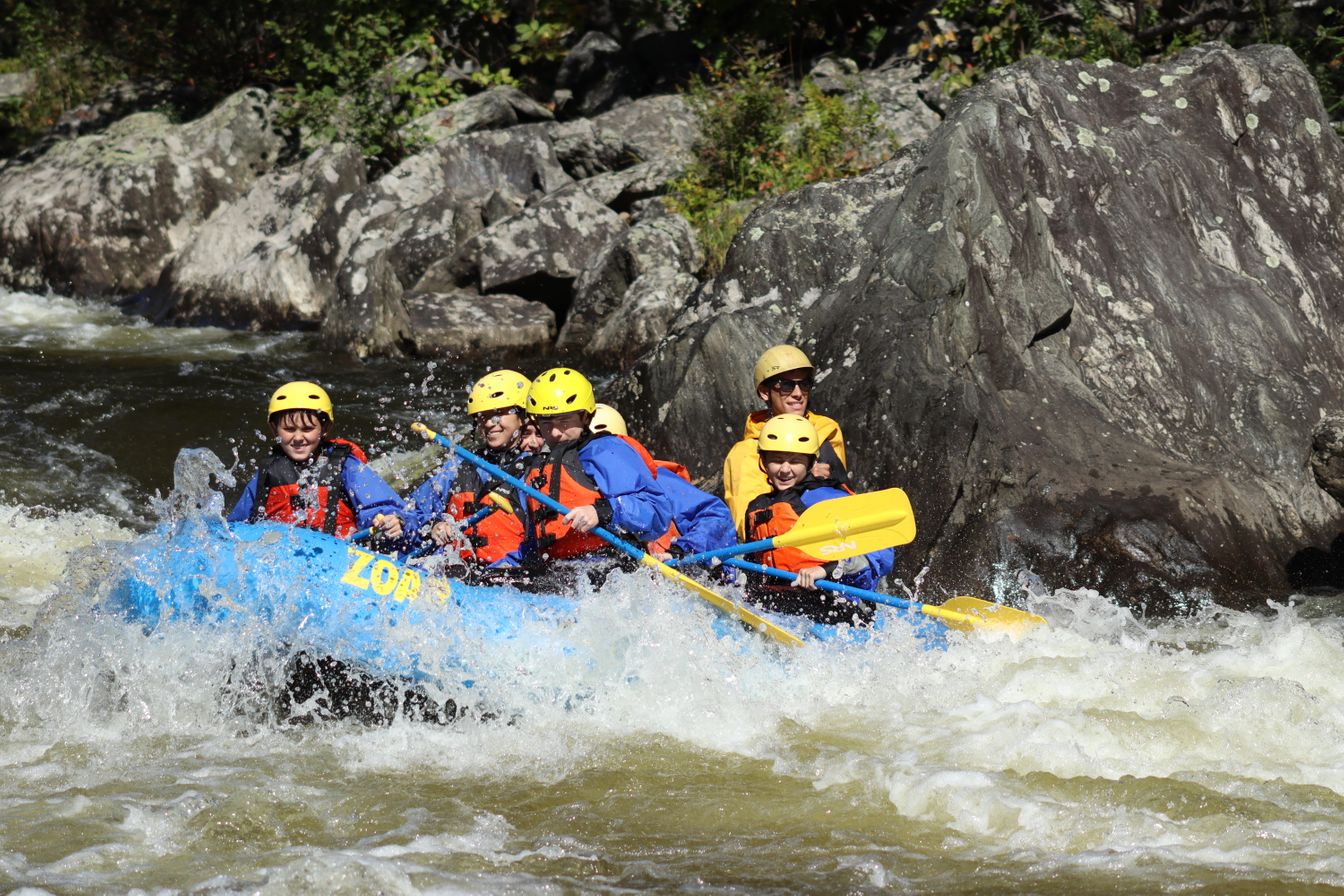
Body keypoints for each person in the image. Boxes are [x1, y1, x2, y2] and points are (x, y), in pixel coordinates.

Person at [514, 368, 671, 575]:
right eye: (546, 422)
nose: (554, 432)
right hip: (558, 574)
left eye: (564, 421)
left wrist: (603, 511)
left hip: (612, 568)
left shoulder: (605, 452)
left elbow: (657, 512)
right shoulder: (537, 468)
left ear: (585, 417)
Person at [742, 414, 891, 625]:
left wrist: (825, 570)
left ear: (811, 463)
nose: (785, 469)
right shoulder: (756, 507)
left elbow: (881, 555)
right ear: (763, 461)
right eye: (776, 459)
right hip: (779, 608)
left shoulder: (826, 498)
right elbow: (751, 567)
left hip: (836, 609)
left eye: (795, 461)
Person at [229, 381, 404, 540]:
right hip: (283, 558)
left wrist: (390, 519)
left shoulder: (346, 467)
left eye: (308, 429)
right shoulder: (267, 473)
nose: (298, 438)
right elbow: (236, 526)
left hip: (342, 555)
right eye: (289, 429)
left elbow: (380, 506)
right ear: (274, 430)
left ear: (325, 428)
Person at [402, 370, 532, 566]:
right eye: (483, 416)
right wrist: (434, 525)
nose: (489, 424)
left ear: (522, 417)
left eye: (498, 415)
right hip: (459, 574)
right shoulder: (459, 467)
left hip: (511, 578)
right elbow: (411, 512)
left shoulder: (535, 470)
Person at [722, 344, 849, 538]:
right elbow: (750, 522)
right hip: (780, 537)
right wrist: (806, 479)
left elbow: (839, 489)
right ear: (765, 392)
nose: (798, 393)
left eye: (804, 384)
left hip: (829, 530)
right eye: (786, 386)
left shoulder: (826, 430)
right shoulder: (745, 453)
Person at [588, 403, 735, 562]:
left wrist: (682, 550)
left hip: (675, 563)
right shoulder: (582, 492)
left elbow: (716, 516)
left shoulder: (660, 480)